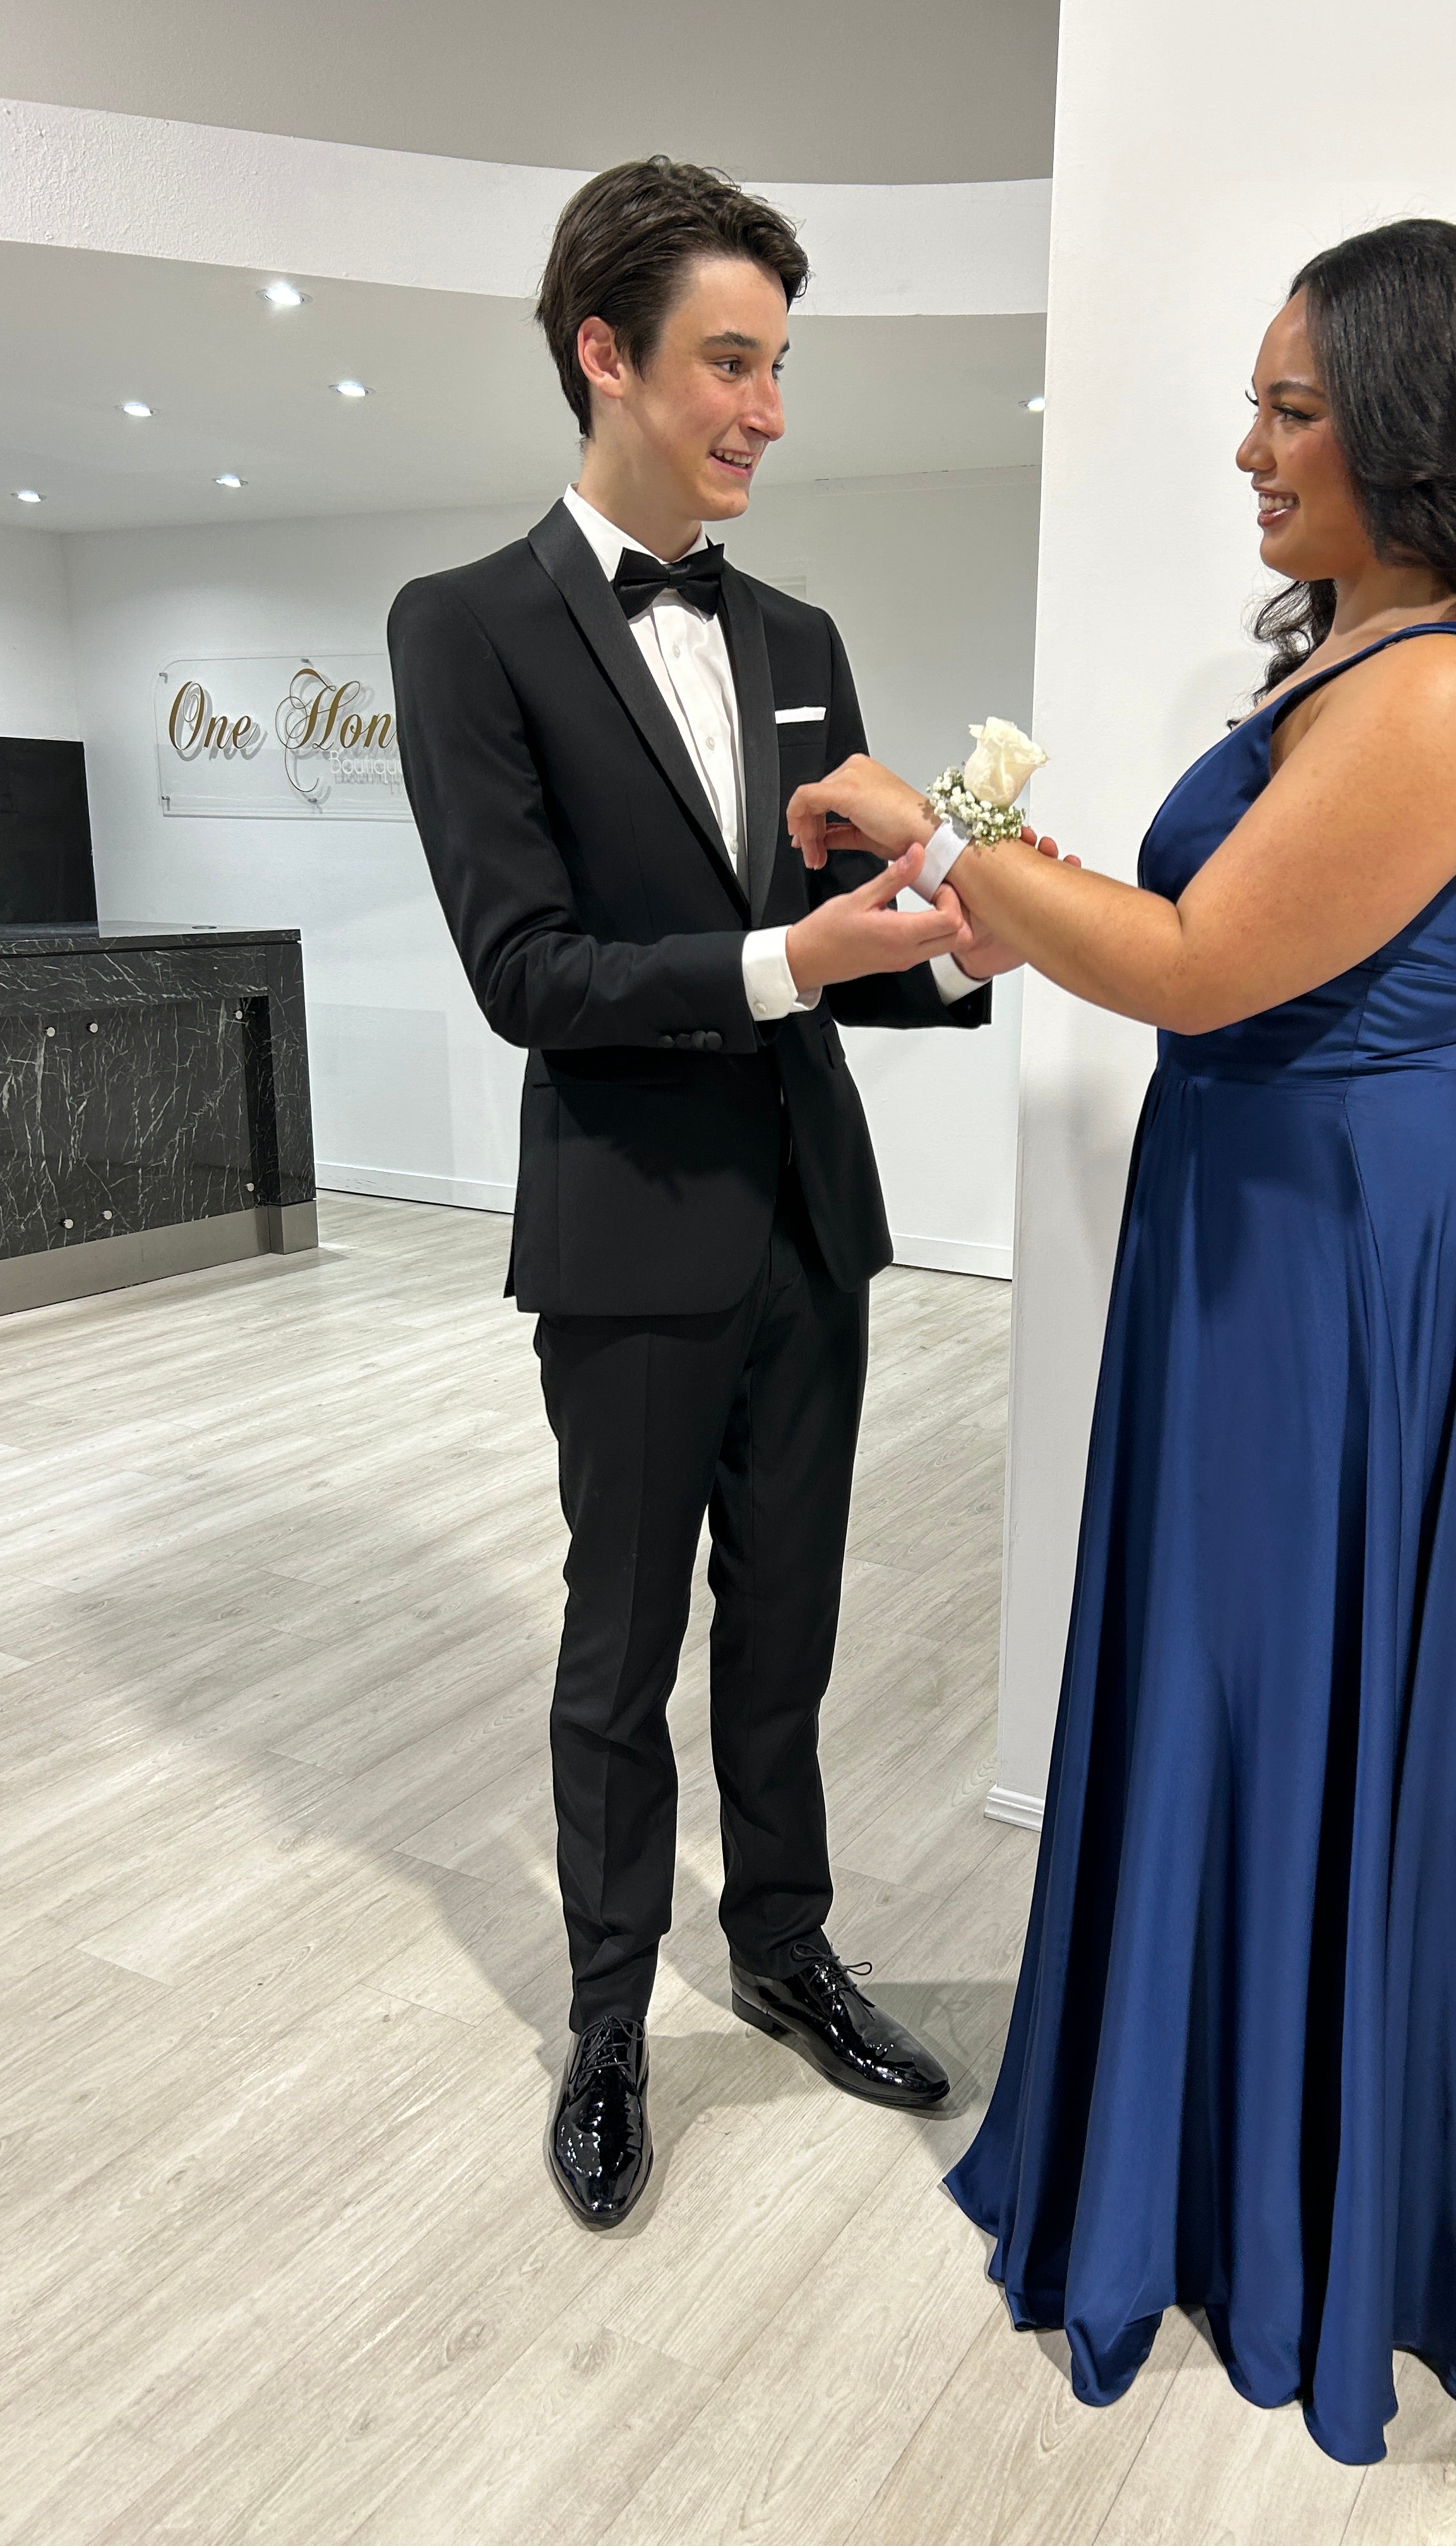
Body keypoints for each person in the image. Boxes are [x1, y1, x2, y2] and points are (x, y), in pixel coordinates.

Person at [785, 219, 1456, 2463]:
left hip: (1354, 1261)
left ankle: (1292, 2209)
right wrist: (1002, 884)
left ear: (1422, 432)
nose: (1253, 449)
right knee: (1232, 1694)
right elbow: (1197, 934)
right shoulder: (1350, 653)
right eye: (1257, 404)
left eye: (1296, 410)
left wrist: (939, 824)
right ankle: (1211, 2162)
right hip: (1267, 1230)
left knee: (1295, 1704)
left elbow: (1193, 967)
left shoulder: (1452, 686)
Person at [388, 158, 1025, 2232]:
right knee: (620, 1650)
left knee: (791, 1628)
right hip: (628, 1235)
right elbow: (527, 975)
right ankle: (603, 2025)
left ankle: (784, 1947)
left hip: (811, 1229)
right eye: (732, 364)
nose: (769, 410)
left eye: (778, 366)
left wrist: (957, 949)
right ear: (607, 353)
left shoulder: (801, 637)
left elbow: (841, 952)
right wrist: (786, 960)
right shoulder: (465, 628)